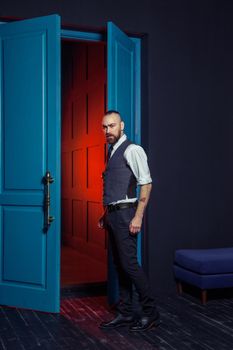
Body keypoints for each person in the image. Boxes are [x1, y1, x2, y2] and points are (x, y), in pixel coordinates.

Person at [98, 110, 160, 332]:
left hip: (127, 216)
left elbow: (146, 183)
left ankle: (152, 313)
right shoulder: (112, 151)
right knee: (119, 266)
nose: (108, 131)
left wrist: (138, 216)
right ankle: (125, 313)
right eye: (104, 127)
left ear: (121, 125)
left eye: (112, 126)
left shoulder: (133, 150)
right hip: (114, 215)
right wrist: (106, 214)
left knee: (130, 265)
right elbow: (115, 188)